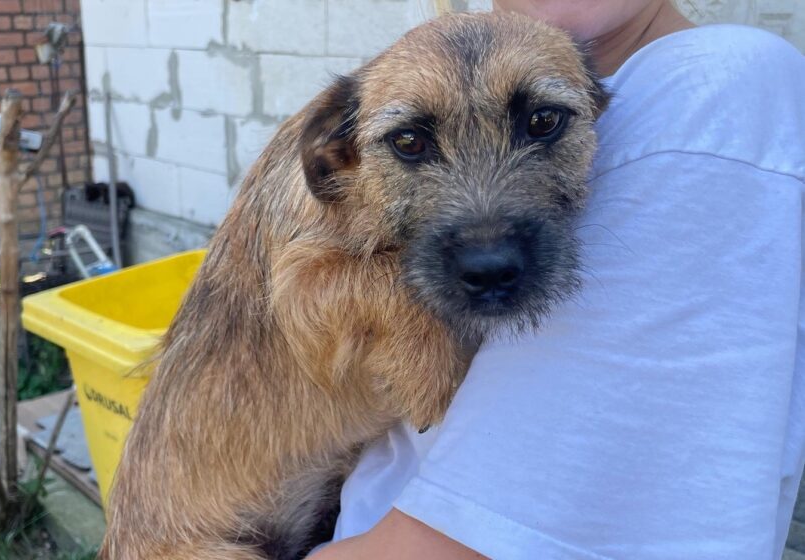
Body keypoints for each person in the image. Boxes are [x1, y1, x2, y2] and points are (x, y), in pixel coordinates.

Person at [311, 0, 805, 558]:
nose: (487, 249)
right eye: (411, 144)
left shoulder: (716, 88)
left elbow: (463, 545)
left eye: (544, 124)